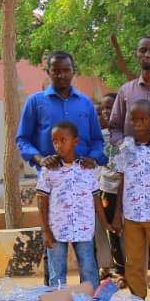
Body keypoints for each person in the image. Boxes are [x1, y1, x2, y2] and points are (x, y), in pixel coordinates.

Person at [110, 100, 150, 301]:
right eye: (134, 120)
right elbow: (121, 180)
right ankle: (138, 300)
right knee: (134, 261)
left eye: (143, 119)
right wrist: (118, 213)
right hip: (132, 214)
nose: (138, 124)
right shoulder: (126, 147)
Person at [36, 120, 108, 287]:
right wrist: (45, 230)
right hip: (56, 229)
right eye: (55, 141)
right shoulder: (49, 169)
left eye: (63, 140)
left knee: (89, 269)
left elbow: (96, 198)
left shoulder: (87, 168)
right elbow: (41, 200)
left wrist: (105, 224)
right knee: (57, 273)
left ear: (75, 141)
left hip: (84, 228)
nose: (58, 145)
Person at [16, 51, 106, 170]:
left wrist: (92, 158)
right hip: (49, 174)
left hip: (83, 173)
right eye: (56, 71)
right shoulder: (35, 102)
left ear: (73, 71)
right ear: (48, 72)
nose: (61, 75)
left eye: (66, 70)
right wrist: (40, 159)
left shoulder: (86, 103)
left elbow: (97, 139)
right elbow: (23, 139)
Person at [97, 92, 124, 279]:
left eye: (110, 107)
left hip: (124, 188)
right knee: (112, 231)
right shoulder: (99, 135)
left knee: (127, 230)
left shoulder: (125, 134)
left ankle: (129, 270)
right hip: (106, 188)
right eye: (104, 108)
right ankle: (118, 269)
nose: (106, 111)